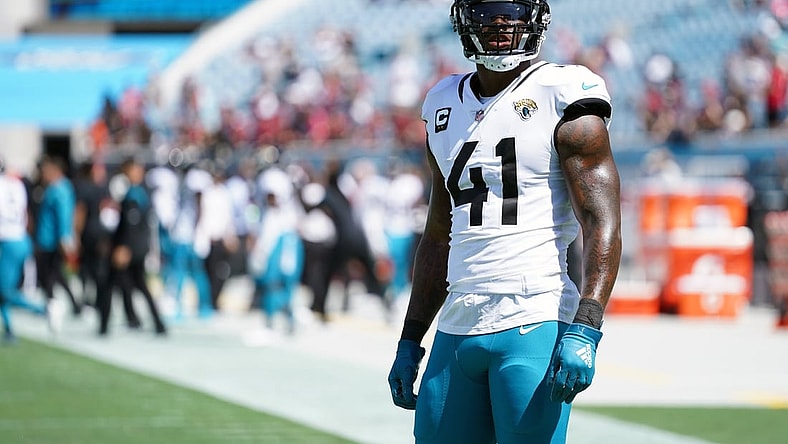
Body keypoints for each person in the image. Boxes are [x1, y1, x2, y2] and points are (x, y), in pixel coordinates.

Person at [386, 1, 622, 443]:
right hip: (458, 320)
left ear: (535, 18)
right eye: (487, 10)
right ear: (462, 19)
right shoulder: (442, 102)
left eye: (512, 11)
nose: (499, 22)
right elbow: (440, 233)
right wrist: (410, 338)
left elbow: (601, 222)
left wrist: (587, 323)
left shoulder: (564, 92)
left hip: (533, 313)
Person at [97, 157, 166, 336]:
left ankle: (104, 325)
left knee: (111, 284)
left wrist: (123, 247)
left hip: (129, 248)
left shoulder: (134, 194)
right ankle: (155, 323)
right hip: (135, 246)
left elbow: (131, 223)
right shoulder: (140, 192)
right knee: (136, 285)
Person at [0, 161, 53, 343]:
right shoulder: (16, 184)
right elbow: (26, 213)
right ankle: (9, 330)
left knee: (5, 291)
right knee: (3, 289)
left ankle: (42, 309)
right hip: (22, 239)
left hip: (8, 241)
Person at [34, 155, 82, 316]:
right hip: (48, 238)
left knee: (49, 274)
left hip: (51, 240)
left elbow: (64, 215)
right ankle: (70, 303)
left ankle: (52, 304)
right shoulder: (56, 187)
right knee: (56, 274)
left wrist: (64, 238)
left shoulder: (60, 189)